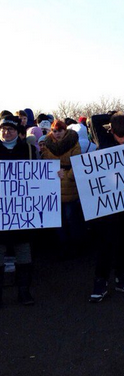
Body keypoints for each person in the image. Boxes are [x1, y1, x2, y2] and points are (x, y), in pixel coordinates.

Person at [88, 112, 124, 302]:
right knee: (106, 244)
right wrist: (112, 115)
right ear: (112, 131)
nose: (123, 139)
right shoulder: (103, 138)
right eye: (120, 136)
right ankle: (100, 282)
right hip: (107, 205)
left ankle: (123, 279)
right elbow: (93, 120)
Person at [0, 115, 38, 305]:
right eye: (3, 130)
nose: (6, 133)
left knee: (24, 253)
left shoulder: (29, 150)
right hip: (1, 213)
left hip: (23, 213)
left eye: (11, 130)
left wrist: (55, 174)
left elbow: (40, 175)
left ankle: (24, 292)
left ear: (18, 131)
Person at [41, 120, 83, 258]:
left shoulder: (73, 143)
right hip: (53, 186)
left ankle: (76, 245)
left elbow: (77, 163)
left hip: (69, 185)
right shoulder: (47, 145)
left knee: (71, 217)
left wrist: (66, 176)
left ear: (65, 130)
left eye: (60, 130)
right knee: (58, 220)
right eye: (54, 131)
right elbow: (44, 164)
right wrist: (53, 173)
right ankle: (63, 246)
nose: (57, 134)